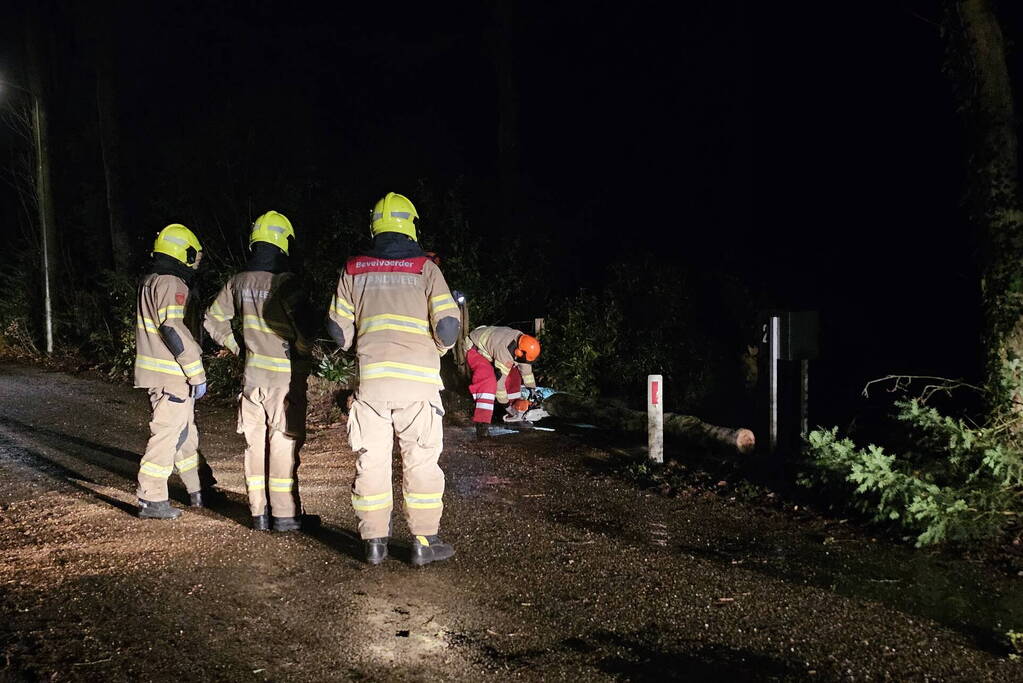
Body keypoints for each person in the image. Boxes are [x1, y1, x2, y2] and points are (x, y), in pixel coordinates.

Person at [327, 191, 461, 566]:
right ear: (412, 225)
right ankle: (423, 542)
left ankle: (373, 543)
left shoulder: (353, 269)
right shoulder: (426, 268)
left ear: (374, 226)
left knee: (372, 460)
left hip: (373, 384)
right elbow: (448, 328)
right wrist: (436, 348)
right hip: (418, 385)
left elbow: (338, 331)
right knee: (420, 461)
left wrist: (358, 343)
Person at [204, 211, 311, 532]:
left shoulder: (238, 282)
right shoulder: (287, 284)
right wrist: (305, 354)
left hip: (252, 378)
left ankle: (258, 513)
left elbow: (212, 320)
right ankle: (284, 515)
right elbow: (304, 331)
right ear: (283, 242)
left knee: (254, 445)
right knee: (282, 442)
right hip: (283, 379)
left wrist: (238, 347)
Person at [134, 224, 212, 519]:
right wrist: (196, 372)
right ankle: (151, 497)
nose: (197, 261)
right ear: (185, 252)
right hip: (173, 375)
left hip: (161, 373)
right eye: (196, 256)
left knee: (184, 434)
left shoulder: (152, 280)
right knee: (168, 434)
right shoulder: (171, 283)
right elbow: (172, 327)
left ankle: (198, 489)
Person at [466, 326, 541, 439]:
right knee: (489, 380)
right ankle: (482, 425)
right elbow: (499, 385)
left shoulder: (521, 341)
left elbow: (524, 364)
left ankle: (514, 416)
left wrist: (531, 388)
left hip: (492, 347)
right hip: (475, 349)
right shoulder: (505, 352)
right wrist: (506, 406)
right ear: (518, 352)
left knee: (514, 376)